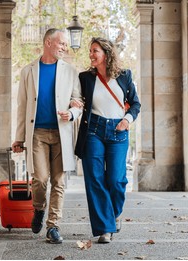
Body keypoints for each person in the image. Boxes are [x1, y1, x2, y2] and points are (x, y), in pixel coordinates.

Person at [12, 28, 82, 244]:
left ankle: (53, 226)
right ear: (48, 42)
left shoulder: (70, 71)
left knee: (59, 181)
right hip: (38, 134)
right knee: (40, 180)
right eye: (61, 43)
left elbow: (79, 103)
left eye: (65, 45)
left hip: (62, 134)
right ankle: (39, 209)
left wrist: (71, 113)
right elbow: (22, 106)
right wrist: (19, 137)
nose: (64, 47)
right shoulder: (28, 71)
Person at [74, 37, 141, 243]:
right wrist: (72, 104)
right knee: (94, 178)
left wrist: (127, 120)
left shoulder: (124, 76)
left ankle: (114, 214)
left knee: (116, 180)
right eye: (90, 51)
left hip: (118, 131)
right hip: (93, 130)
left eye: (95, 50)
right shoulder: (85, 78)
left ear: (106, 53)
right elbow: (78, 99)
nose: (91, 54)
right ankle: (105, 229)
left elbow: (135, 104)